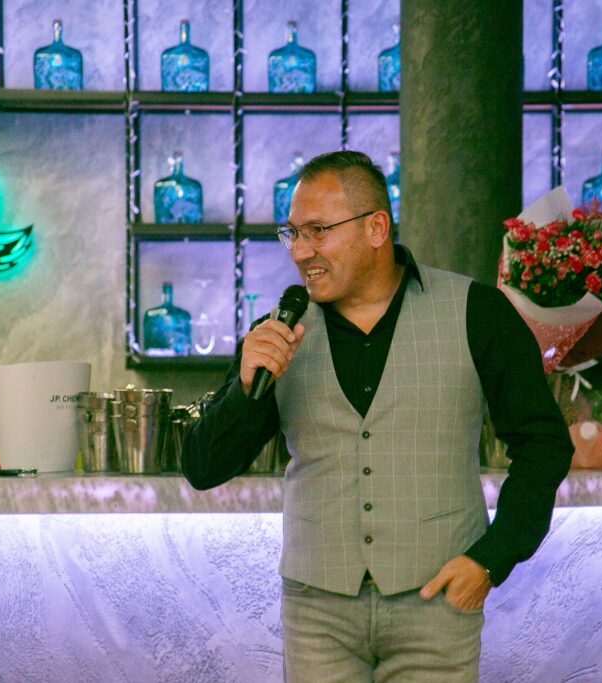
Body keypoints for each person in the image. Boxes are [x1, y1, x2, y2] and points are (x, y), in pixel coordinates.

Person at [182, 150, 573, 681]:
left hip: (436, 608)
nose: (300, 251)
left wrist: (492, 558)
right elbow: (204, 469)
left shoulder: (476, 312)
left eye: (318, 231)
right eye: (292, 233)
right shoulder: (278, 332)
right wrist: (246, 388)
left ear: (376, 228)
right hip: (317, 613)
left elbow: (544, 443)